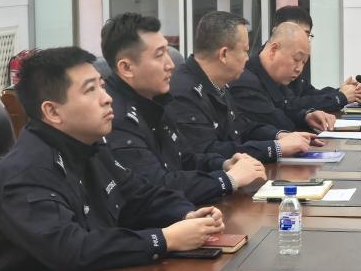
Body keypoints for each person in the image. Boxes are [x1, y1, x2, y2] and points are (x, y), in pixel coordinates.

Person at [0, 48, 225, 271]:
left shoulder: (90, 146)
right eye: (90, 90)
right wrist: (163, 239)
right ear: (53, 112)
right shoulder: (24, 174)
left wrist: (186, 215)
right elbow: (72, 251)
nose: (107, 99)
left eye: (102, 87)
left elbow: (140, 196)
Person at [101, 13, 265, 206]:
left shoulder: (154, 100)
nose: (170, 64)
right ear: (127, 68)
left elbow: (184, 158)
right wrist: (228, 180)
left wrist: (224, 164)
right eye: (159, 55)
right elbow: (158, 186)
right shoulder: (115, 118)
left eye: (167, 52)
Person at [165, 11, 314, 163]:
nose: (247, 58)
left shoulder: (218, 84)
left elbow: (242, 127)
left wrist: (280, 136)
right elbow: (209, 151)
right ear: (223, 54)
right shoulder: (184, 93)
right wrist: (275, 148)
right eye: (245, 51)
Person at [230, 22, 338, 133]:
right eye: (296, 59)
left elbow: (289, 107)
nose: (299, 69)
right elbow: (283, 124)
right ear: (274, 50)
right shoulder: (245, 82)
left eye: (303, 62)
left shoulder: (277, 77)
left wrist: (307, 116)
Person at [272, 6, 361, 112]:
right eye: (296, 34)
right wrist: (340, 97)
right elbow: (292, 105)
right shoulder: (268, 67)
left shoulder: (295, 64)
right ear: (277, 32)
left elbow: (310, 94)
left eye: (306, 35)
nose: (298, 68)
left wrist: (340, 92)